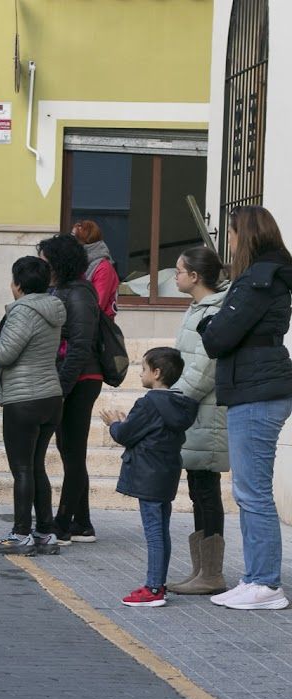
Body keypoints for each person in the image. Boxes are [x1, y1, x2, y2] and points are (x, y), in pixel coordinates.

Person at [199, 206, 292, 611]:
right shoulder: (261, 277)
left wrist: (207, 325)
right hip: (255, 386)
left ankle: (267, 584)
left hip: (258, 390)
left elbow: (219, 338)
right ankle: (254, 577)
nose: (229, 241)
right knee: (248, 491)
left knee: (253, 493)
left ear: (247, 235)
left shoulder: (258, 280)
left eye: (233, 233)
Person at [0, 256, 65, 555]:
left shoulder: (22, 311)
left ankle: (21, 533)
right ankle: (45, 532)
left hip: (24, 399)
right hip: (50, 396)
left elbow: (4, 354)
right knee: (37, 465)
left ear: (18, 284)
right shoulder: (52, 309)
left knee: (23, 469)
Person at [101, 348, 197, 607]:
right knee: (161, 532)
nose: (140, 373)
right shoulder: (180, 404)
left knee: (154, 533)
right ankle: (158, 584)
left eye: (143, 369)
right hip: (166, 473)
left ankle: (154, 588)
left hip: (147, 474)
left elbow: (126, 435)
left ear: (157, 373)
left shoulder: (149, 402)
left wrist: (114, 424)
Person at [167, 246, 229, 596]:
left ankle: (212, 574)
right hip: (194, 413)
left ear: (195, 276)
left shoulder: (216, 310)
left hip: (205, 413)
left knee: (206, 491)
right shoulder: (198, 308)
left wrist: (175, 399)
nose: (174, 276)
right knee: (197, 489)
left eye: (178, 271)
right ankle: (200, 569)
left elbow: (205, 368)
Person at [39, 233, 103, 545]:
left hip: (81, 379)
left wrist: (61, 388)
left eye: (45, 259)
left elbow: (80, 346)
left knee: (73, 452)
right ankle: (83, 523)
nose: (42, 264)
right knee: (69, 450)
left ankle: (63, 523)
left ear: (58, 262)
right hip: (70, 378)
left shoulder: (78, 293)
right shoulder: (63, 289)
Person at [72, 219, 119, 318]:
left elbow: (98, 303)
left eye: (74, 237)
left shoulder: (103, 267)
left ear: (83, 241)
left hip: (95, 326)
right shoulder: (79, 263)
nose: (70, 241)